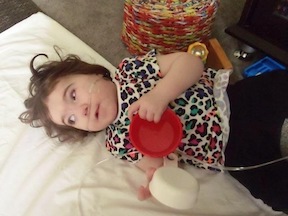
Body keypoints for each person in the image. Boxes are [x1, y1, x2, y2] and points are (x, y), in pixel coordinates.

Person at [19, 49, 288, 212]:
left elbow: (191, 64)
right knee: (275, 193)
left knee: (277, 85)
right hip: (230, 151)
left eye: (73, 95)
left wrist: (159, 95)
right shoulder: (118, 142)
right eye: (73, 119)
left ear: (94, 74)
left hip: (231, 102)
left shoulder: (131, 71)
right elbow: (155, 159)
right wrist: (159, 177)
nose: (82, 112)